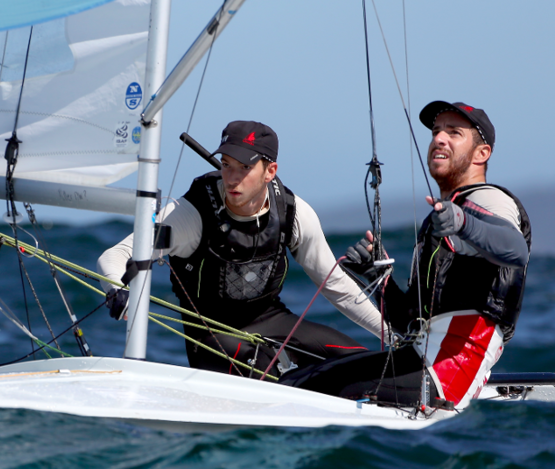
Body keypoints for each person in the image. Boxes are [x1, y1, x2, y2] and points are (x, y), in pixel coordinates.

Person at [281, 101, 531, 410]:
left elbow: (514, 249)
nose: (439, 138)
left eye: (454, 132)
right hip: (420, 359)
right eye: (437, 131)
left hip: (446, 376)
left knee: (305, 388)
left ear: (482, 153)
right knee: (303, 378)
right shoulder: (441, 219)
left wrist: (462, 222)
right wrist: (378, 279)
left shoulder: (487, 199)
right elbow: (408, 323)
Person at [97, 120, 390, 376]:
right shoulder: (190, 215)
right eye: (226, 165)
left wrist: (390, 335)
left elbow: (335, 284)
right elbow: (116, 255)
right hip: (214, 335)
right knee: (270, 367)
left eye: (245, 168)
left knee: (363, 363)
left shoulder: (292, 212)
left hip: (272, 320)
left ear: (270, 171)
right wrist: (116, 288)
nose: (232, 178)